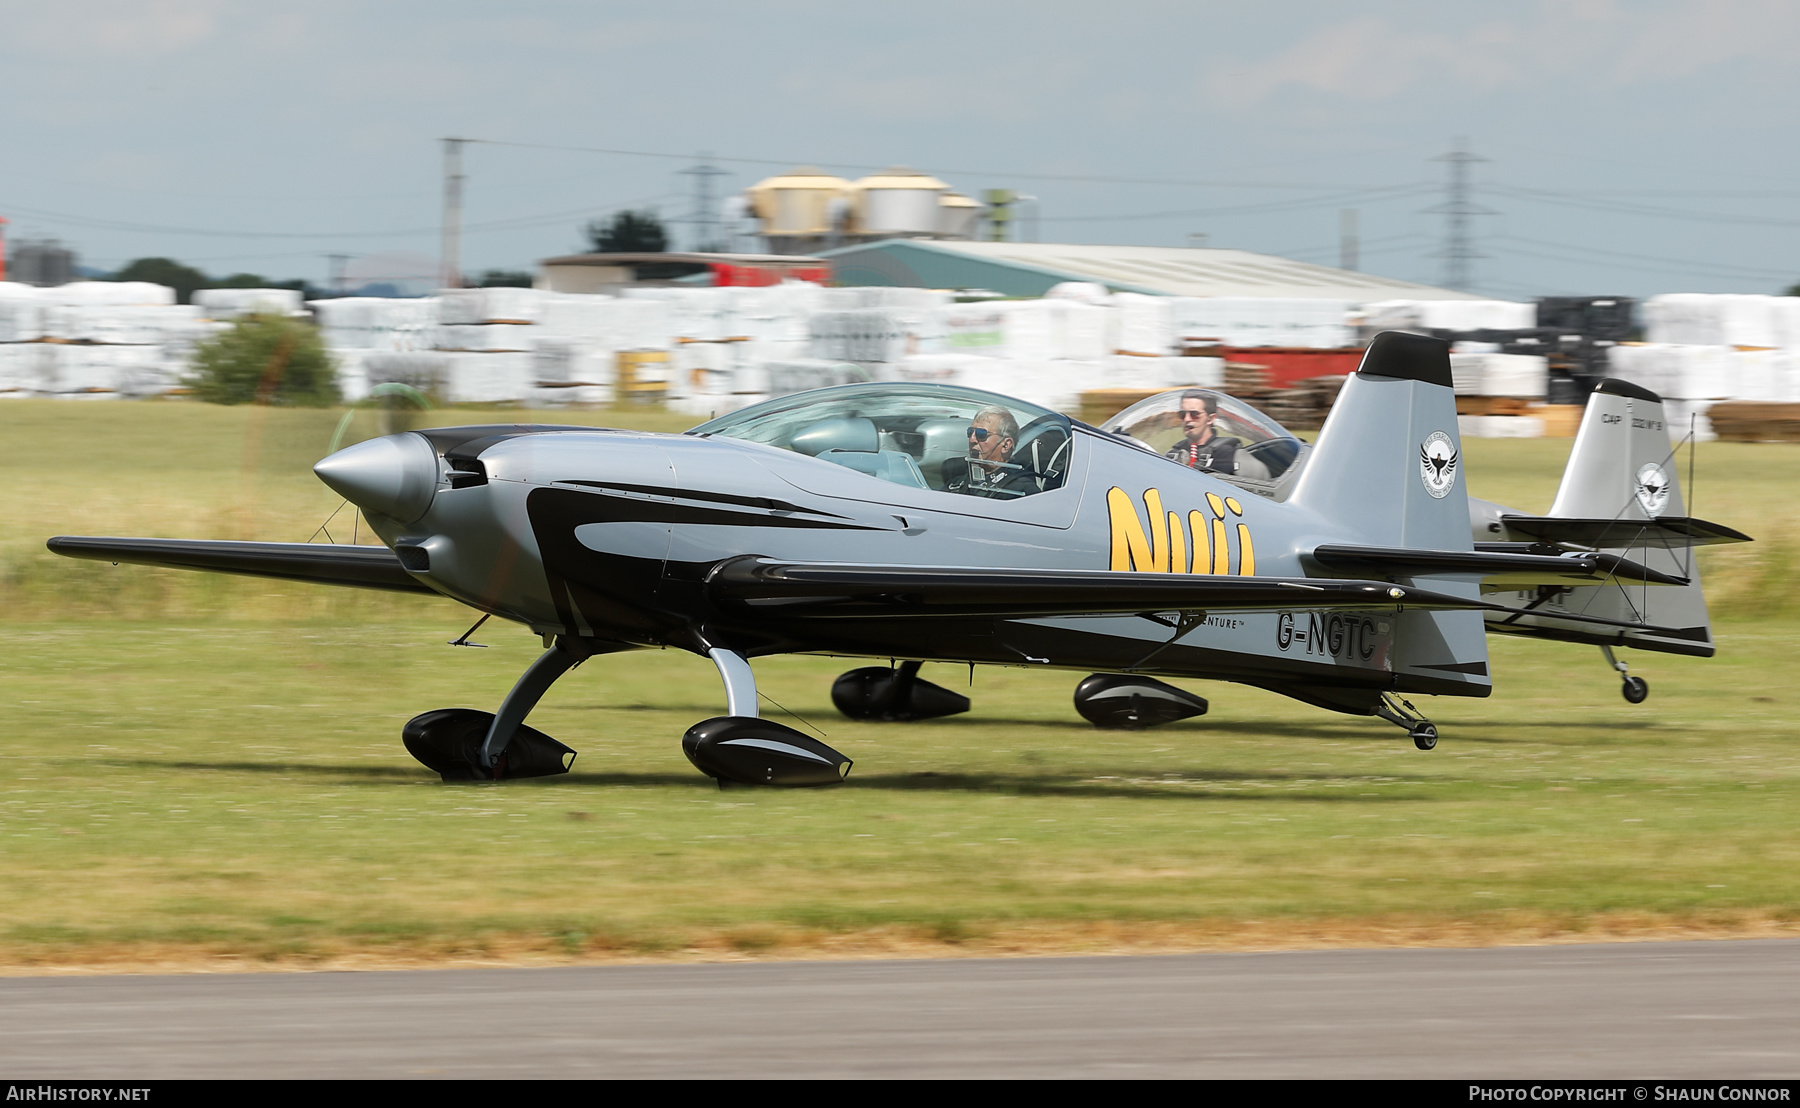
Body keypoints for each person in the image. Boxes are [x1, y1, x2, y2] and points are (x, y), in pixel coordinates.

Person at [953, 405, 1037, 497]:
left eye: (981, 434)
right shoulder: (959, 481)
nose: (972, 440)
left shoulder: (1022, 491)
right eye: (970, 432)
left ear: (1006, 445)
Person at [1165, 390, 1240, 474]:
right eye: (1182, 414)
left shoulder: (1224, 453)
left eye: (1194, 414)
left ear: (1210, 419)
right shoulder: (1175, 451)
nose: (1187, 419)